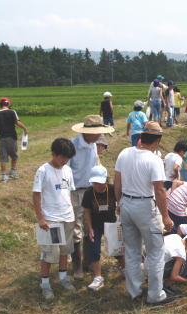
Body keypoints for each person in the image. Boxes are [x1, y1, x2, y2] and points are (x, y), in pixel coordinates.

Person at [114, 121, 175, 306]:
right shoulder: (154, 160)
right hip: (145, 207)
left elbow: (117, 181)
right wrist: (165, 216)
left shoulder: (124, 153)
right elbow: (159, 191)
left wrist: (119, 203)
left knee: (132, 251)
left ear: (141, 138)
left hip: (126, 203)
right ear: (156, 142)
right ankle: (156, 295)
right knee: (155, 252)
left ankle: (134, 292)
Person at [69, 115, 114, 280]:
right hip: (74, 191)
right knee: (76, 230)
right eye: (97, 133)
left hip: (91, 191)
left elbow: (96, 165)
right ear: (87, 132)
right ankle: (77, 266)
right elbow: (65, 172)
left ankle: (89, 262)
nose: (99, 136)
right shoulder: (72, 145)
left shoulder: (94, 145)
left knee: (90, 227)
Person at [33, 138, 77, 300]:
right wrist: (41, 218)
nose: (64, 161)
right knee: (49, 254)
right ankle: (45, 283)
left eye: (67, 158)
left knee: (65, 251)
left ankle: (63, 278)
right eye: (62, 157)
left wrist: (72, 212)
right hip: (51, 219)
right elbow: (36, 195)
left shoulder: (68, 170)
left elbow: (70, 193)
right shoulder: (43, 170)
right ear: (54, 154)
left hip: (67, 217)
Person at [82, 165, 123, 291]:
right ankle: (98, 277)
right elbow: (87, 212)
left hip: (111, 223)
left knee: (118, 248)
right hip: (95, 225)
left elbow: (121, 202)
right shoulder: (89, 193)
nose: (97, 185)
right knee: (94, 248)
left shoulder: (112, 189)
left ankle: (126, 269)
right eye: (95, 183)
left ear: (106, 180)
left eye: (100, 182)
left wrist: (119, 209)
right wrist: (89, 228)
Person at [0, 97, 28, 182]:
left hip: (1, 138)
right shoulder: (12, 111)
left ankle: (4, 176)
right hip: (12, 137)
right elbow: (17, 122)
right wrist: (25, 128)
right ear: (8, 104)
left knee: (3, 157)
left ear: (0, 105)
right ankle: (13, 172)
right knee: (14, 155)